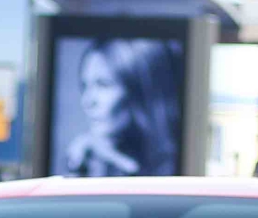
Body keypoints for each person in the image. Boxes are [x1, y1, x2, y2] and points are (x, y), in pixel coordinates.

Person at [58, 39, 180, 178]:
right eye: (85, 86)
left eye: (103, 85)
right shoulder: (92, 155)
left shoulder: (175, 161)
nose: (87, 101)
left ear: (139, 91)